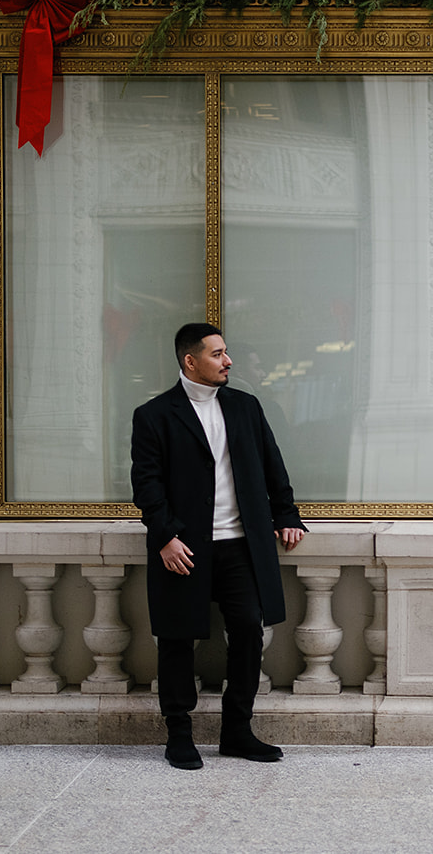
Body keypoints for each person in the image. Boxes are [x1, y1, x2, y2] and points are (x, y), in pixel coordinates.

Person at [131, 322, 307, 770]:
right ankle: (179, 735)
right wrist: (165, 537)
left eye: (226, 353)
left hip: (239, 545)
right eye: (218, 354)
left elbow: (273, 466)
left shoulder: (245, 407)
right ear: (190, 361)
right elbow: (147, 485)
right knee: (176, 638)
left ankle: (237, 731)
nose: (228, 361)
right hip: (184, 549)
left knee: (249, 629)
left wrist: (286, 516)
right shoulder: (153, 415)